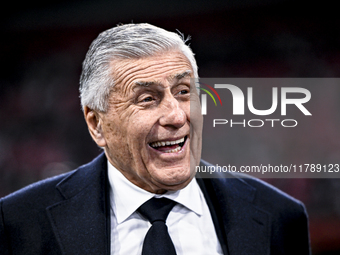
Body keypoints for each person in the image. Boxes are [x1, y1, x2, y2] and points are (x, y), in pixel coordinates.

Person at [0, 23, 310, 254]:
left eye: (184, 92)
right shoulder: (18, 224)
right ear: (96, 124)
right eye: (147, 98)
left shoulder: (280, 216)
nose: (176, 116)